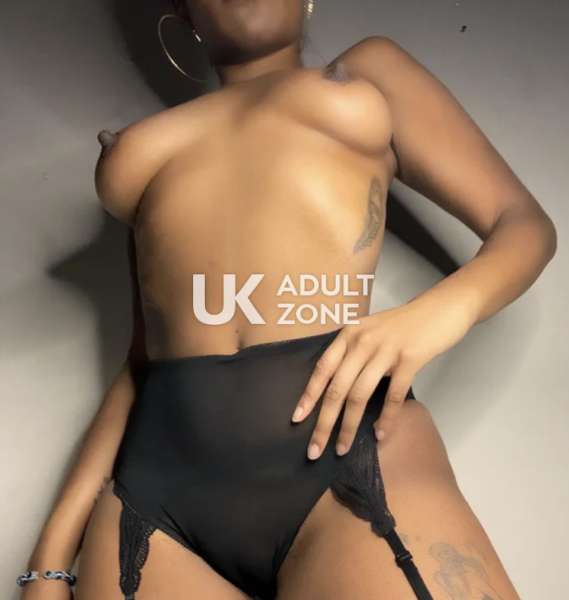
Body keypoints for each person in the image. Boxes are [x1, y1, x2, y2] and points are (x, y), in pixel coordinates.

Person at [18, 1, 557, 599]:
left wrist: (434, 314)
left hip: (347, 464)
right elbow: (140, 364)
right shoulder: (143, 150)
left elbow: (524, 225)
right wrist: (48, 561)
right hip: (154, 507)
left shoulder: (366, 75)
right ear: (183, 13)